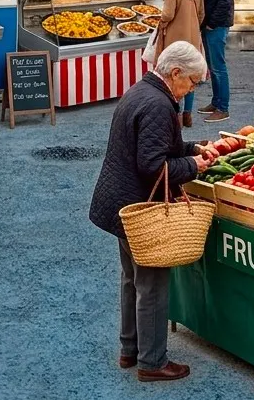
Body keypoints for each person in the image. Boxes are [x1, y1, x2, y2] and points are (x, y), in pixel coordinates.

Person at [89, 41, 218, 382]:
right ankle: (152, 362)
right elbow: (152, 165)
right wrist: (192, 165)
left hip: (121, 204)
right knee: (153, 286)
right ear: (175, 73)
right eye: (191, 82)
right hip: (140, 204)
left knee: (131, 279)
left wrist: (195, 148)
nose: (191, 90)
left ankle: (129, 350)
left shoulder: (140, 91)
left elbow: (158, 145)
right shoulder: (160, 105)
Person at [155, 0, 206, 128]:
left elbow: (168, 14)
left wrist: (160, 22)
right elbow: (201, 14)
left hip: (175, 39)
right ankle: (187, 115)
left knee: (172, 76)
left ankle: (174, 116)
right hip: (193, 38)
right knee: (190, 77)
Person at [192, 0, 234, 122]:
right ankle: (216, 102)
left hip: (216, 26)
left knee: (218, 67)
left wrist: (212, 22)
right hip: (211, 25)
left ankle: (223, 108)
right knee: (213, 66)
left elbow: (225, 0)